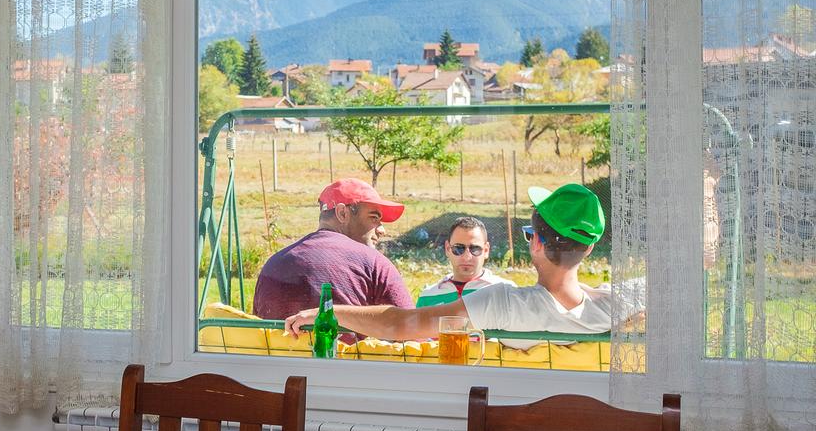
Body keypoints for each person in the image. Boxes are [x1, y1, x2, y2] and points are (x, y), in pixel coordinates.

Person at [284, 183, 635, 341]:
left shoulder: (502, 302)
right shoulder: (620, 306)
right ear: (590, 249)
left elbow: (400, 324)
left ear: (536, 243)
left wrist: (329, 311)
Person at [252, 178, 413, 324]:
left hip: (278, 349)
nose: (382, 230)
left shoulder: (273, 264)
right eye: (374, 218)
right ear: (342, 213)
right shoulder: (375, 263)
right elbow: (412, 329)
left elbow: (258, 331)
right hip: (344, 349)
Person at [414, 216, 514, 308]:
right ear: (447, 249)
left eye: (475, 249)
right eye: (458, 249)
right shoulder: (427, 297)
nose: (467, 257)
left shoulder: (506, 293)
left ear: (486, 250)